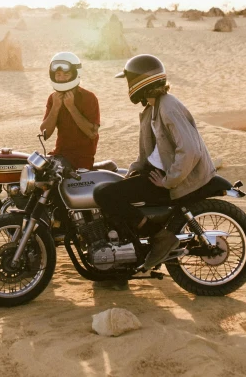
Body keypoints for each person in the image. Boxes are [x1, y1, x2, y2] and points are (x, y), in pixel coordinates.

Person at [94, 54, 216, 271]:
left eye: (129, 81)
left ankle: (159, 237)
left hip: (176, 179)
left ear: (141, 83)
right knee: (106, 187)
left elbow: (189, 150)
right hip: (157, 172)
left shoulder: (168, 107)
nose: (128, 86)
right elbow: (151, 153)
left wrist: (168, 181)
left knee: (104, 194)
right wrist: (134, 171)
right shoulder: (152, 108)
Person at [40, 51, 100, 170]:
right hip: (59, 155)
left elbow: (92, 133)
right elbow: (45, 134)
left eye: (66, 74)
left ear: (75, 74)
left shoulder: (89, 98)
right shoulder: (53, 98)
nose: (61, 78)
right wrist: (56, 107)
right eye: (58, 74)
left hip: (81, 159)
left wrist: (71, 107)